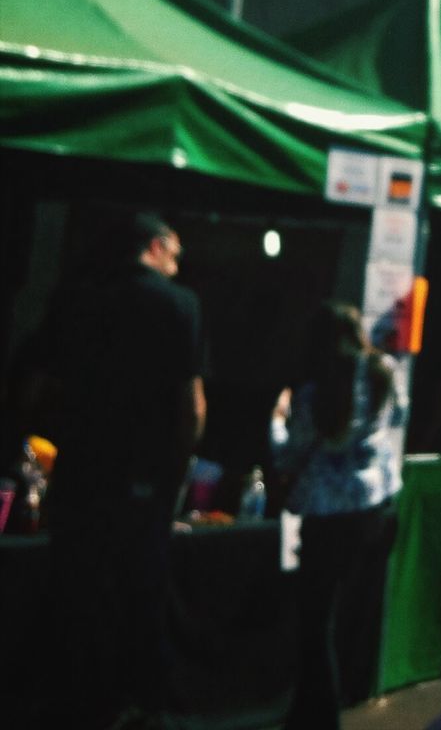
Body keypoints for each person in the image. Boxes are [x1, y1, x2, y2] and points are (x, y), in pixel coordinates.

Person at [45, 211, 206, 729]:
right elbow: (193, 406)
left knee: (79, 600)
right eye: (176, 252)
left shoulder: (77, 299)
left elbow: (34, 386)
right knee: (139, 601)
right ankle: (136, 710)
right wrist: (174, 474)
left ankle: (80, 708)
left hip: (79, 477)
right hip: (143, 482)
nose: (179, 264)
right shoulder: (179, 305)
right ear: (154, 247)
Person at [271, 302, 408, 730]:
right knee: (345, 613)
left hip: (329, 514)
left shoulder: (315, 392)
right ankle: (311, 710)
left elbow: (289, 454)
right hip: (375, 506)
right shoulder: (384, 371)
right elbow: (399, 416)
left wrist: (277, 419)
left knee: (315, 621)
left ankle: (321, 716)